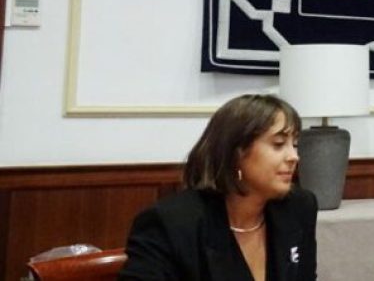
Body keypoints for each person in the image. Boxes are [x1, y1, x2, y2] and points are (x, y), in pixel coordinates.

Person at [119, 94, 317, 281]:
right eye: (279, 144)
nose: (293, 156)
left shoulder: (298, 208)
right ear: (236, 153)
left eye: (295, 144)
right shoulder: (171, 223)